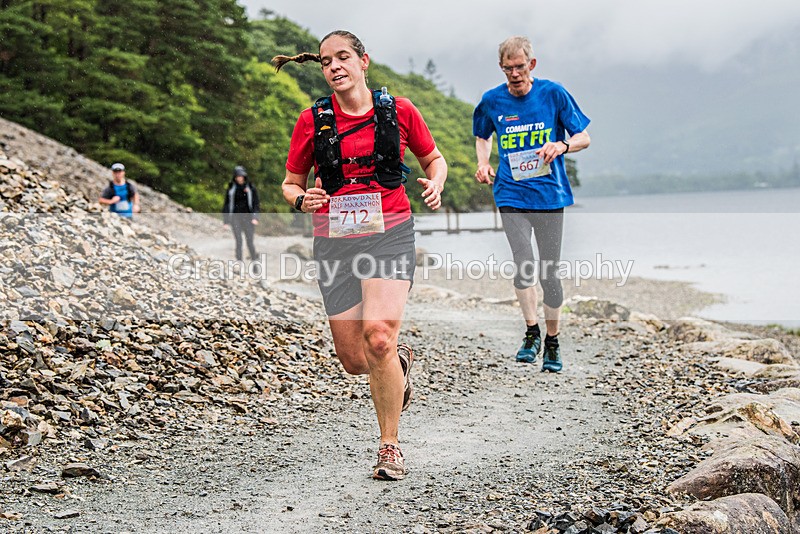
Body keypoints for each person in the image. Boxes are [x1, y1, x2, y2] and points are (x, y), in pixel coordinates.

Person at [272, 30, 447, 481]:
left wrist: (436, 182)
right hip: (334, 242)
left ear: (363, 61)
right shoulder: (312, 121)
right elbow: (290, 182)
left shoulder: (401, 111)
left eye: (343, 57)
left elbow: (434, 159)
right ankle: (399, 368)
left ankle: (389, 446)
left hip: (389, 234)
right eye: (326, 61)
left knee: (378, 339)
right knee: (355, 361)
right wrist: (299, 200)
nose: (334, 67)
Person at [473, 36, 591, 373]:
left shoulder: (553, 93)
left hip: (549, 195)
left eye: (520, 67)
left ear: (532, 65)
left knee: (549, 272)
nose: (514, 73)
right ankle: (531, 332)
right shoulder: (492, 100)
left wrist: (561, 145)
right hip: (510, 193)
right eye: (508, 68)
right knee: (524, 261)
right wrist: (483, 163)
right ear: (501, 68)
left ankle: (552, 340)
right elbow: (482, 135)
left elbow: (584, 136)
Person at [222, 165, 260, 261]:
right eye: (238, 176)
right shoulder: (231, 189)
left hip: (248, 218)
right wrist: (226, 221)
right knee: (238, 241)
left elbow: (256, 204)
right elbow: (226, 205)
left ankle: (254, 261)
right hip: (235, 218)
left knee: (250, 242)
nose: (240, 178)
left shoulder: (251, 188)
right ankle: (239, 263)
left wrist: (255, 217)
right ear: (235, 177)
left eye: (241, 176)